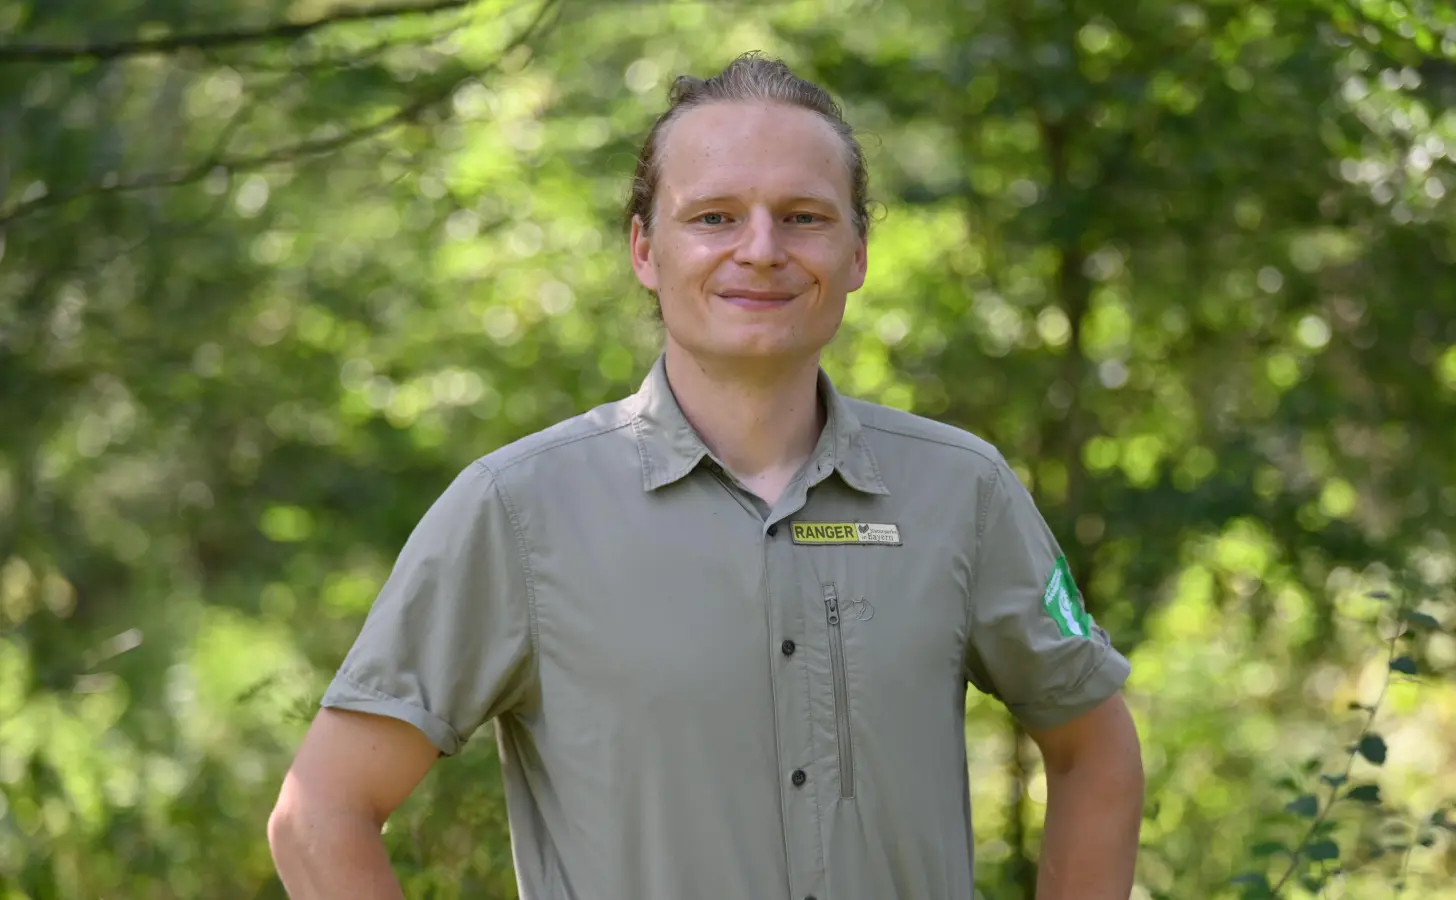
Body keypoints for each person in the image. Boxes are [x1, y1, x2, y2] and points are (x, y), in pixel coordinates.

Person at [267, 52, 1144, 899]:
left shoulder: (964, 491)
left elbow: (1093, 752)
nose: (761, 249)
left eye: (804, 216)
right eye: (715, 216)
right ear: (646, 251)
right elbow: (320, 817)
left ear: (859, 253)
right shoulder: (519, 512)